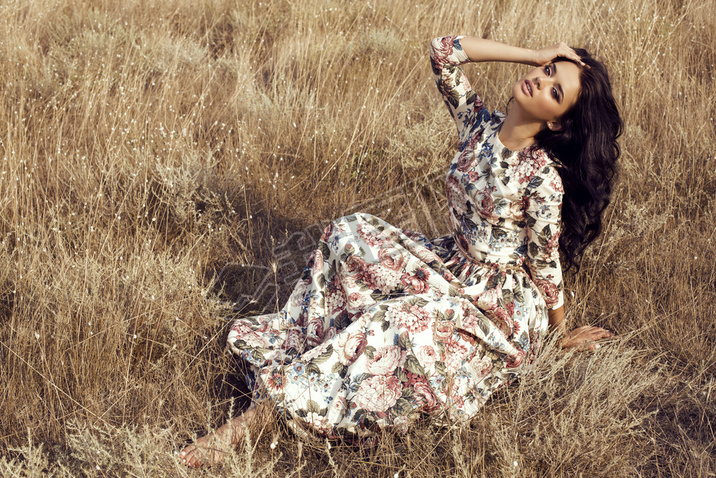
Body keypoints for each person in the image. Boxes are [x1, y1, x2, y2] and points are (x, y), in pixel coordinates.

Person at [180, 35, 622, 467]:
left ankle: (260, 419)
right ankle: (313, 352)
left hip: (496, 303)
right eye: (546, 71)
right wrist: (533, 52)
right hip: (450, 263)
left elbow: (544, 263)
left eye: (555, 90)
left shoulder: (541, 178)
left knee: (393, 323)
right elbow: (444, 52)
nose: (540, 81)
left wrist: (560, 334)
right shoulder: (478, 125)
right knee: (348, 235)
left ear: (558, 122)